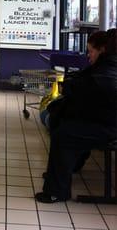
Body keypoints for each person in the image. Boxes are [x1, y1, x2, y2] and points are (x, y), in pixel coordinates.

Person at [35, 29, 117, 203]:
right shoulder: (108, 66)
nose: (89, 56)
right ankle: (65, 171)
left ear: (102, 49)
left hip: (109, 127)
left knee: (63, 133)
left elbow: (88, 89)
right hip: (106, 121)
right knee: (67, 123)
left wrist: (69, 91)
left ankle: (56, 191)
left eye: (91, 51)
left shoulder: (107, 70)